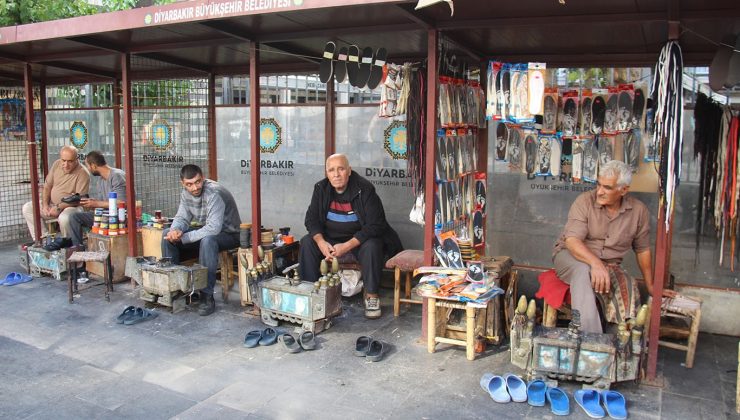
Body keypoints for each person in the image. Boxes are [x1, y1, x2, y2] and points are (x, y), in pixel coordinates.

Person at [552, 160, 652, 333]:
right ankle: (590, 338)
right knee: (583, 270)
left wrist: (651, 285)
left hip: (609, 264)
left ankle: (617, 342)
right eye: (598, 184)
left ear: (624, 190)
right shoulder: (584, 201)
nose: (599, 191)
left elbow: (643, 249)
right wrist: (596, 264)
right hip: (571, 256)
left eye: (607, 187)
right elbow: (572, 241)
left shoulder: (638, 211)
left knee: (627, 286)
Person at [299, 154, 403, 319]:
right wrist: (321, 242)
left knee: (373, 245)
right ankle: (309, 294)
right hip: (331, 240)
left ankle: (371, 296)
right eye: (331, 170)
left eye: (341, 169)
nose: (336, 174)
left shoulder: (364, 189)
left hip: (358, 241)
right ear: (327, 173)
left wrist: (347, 246)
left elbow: (376, 224)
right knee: (307, 242)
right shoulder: (321, 188)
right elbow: (311, 220)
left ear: (349, 171)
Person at [162, 164, 241, 316]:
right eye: (189, 184)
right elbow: (182, 217)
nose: (194, 188)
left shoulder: (214, 193)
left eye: (197, 182)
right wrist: (175, 231)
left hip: (230, 234)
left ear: (202, 178)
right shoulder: (186, 193)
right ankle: (175, 289)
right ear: (183, 184)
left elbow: (213, 228)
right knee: (167, 236)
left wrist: (184, 237)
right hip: (209, 232)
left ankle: (207, 296)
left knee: (208, 241)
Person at [22, 145, 90, 241]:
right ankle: (44, 240)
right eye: (63, 160)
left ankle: (69, 244)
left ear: (77, 159)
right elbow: (47, 186)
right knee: (28, 208)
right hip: (52, 205)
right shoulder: (56, 164)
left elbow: (79, 199)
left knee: (65, 218)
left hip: (72, 207)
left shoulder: (83, 173)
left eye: (70, 161)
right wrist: (45, 205)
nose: (66, 164)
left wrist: (59, 207)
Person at [67, 151, 127, 247]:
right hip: (105, 214)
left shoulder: (116, 176)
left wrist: (96, 204)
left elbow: (122, 202)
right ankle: (77, 249)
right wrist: (87, 203)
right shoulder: (101, 179)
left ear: (94, 166)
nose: (88, 169)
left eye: (88, 166)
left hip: (119, 217)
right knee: (74, 217)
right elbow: (101, 203)